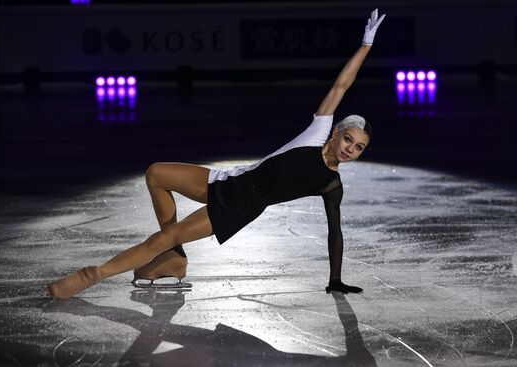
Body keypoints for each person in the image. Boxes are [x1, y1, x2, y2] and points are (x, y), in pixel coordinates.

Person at [47, 9, 386, 300]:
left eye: (358, 148)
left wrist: (335, 279)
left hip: (243, 203)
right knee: (156, 174)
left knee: (165, 235)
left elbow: (335, 231)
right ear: (337, 130)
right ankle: (174, 259)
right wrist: (366, 45)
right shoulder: (317, 132)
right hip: (233, 178)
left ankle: (93, 275)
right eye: (348, 139)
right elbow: (342, 85)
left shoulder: (331, 184)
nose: (350, 150)